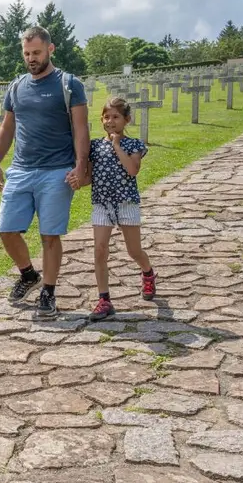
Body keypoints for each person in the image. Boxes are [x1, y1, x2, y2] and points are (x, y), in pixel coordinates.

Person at [0, 25, 90, 318]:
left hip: (57, 171)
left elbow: (81, 128)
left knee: (49, 235)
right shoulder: (16, 87)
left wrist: (81, 165)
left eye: (36, 52)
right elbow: (7, 127)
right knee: (6, 230)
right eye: (26, 54)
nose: (31, 58)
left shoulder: (69, 84)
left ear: (50, 49)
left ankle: (48, 290)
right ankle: (28, 274)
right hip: (21, 169)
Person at [86, 97, 156, 321]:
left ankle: (147, 272)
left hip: (126, 203)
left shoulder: (133, 145)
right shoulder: (95, 146)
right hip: (102, 203)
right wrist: (75, 179)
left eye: (116, 117)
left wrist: (116, 145)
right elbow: (89, 177)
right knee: (99, 250)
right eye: (106, 117)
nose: (110, 121)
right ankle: (104, 299)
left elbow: (132, 170)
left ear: (127, 120)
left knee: (133, 251)